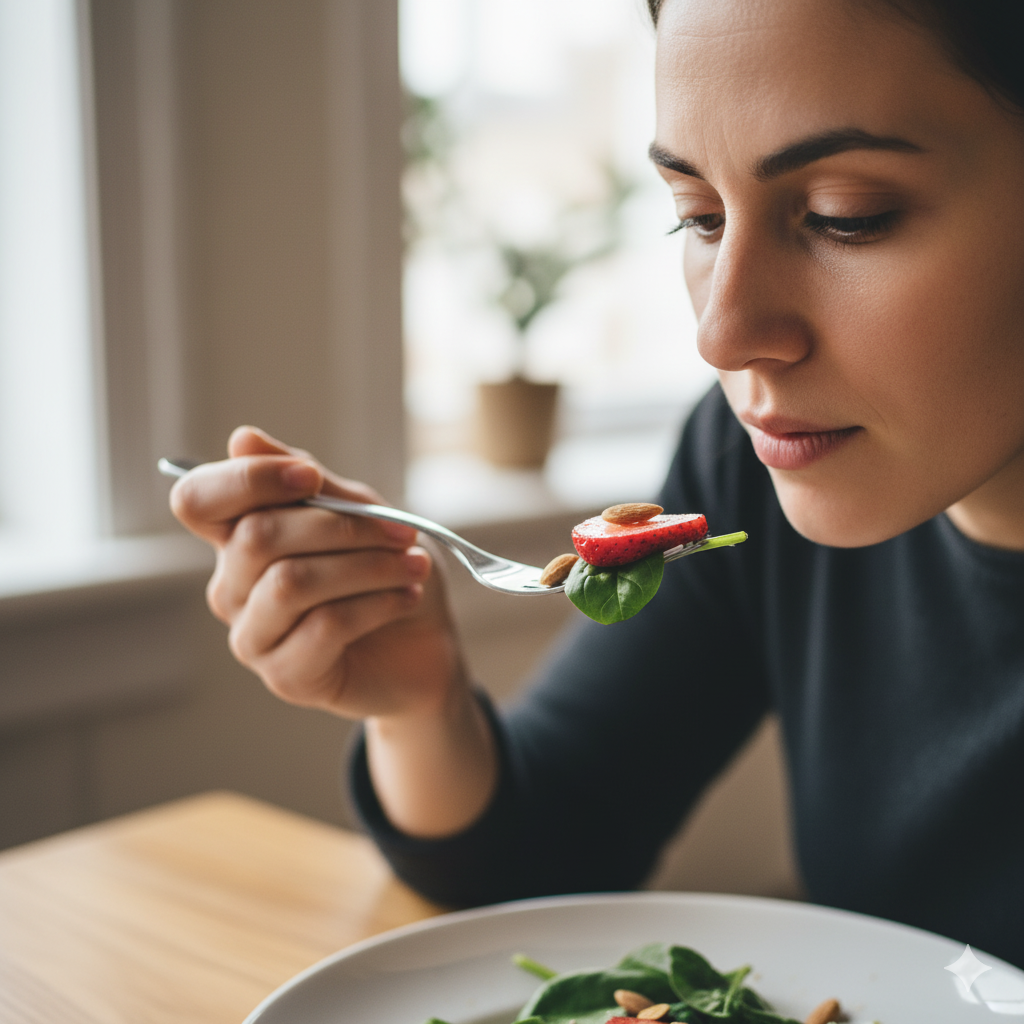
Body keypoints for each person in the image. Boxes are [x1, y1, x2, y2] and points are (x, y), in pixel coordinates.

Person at [170, 0, 1024, 969]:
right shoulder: (756, 466)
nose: (721, 332)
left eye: (845, 217)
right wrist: (418, 707)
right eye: (697, 217)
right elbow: (544, 855)